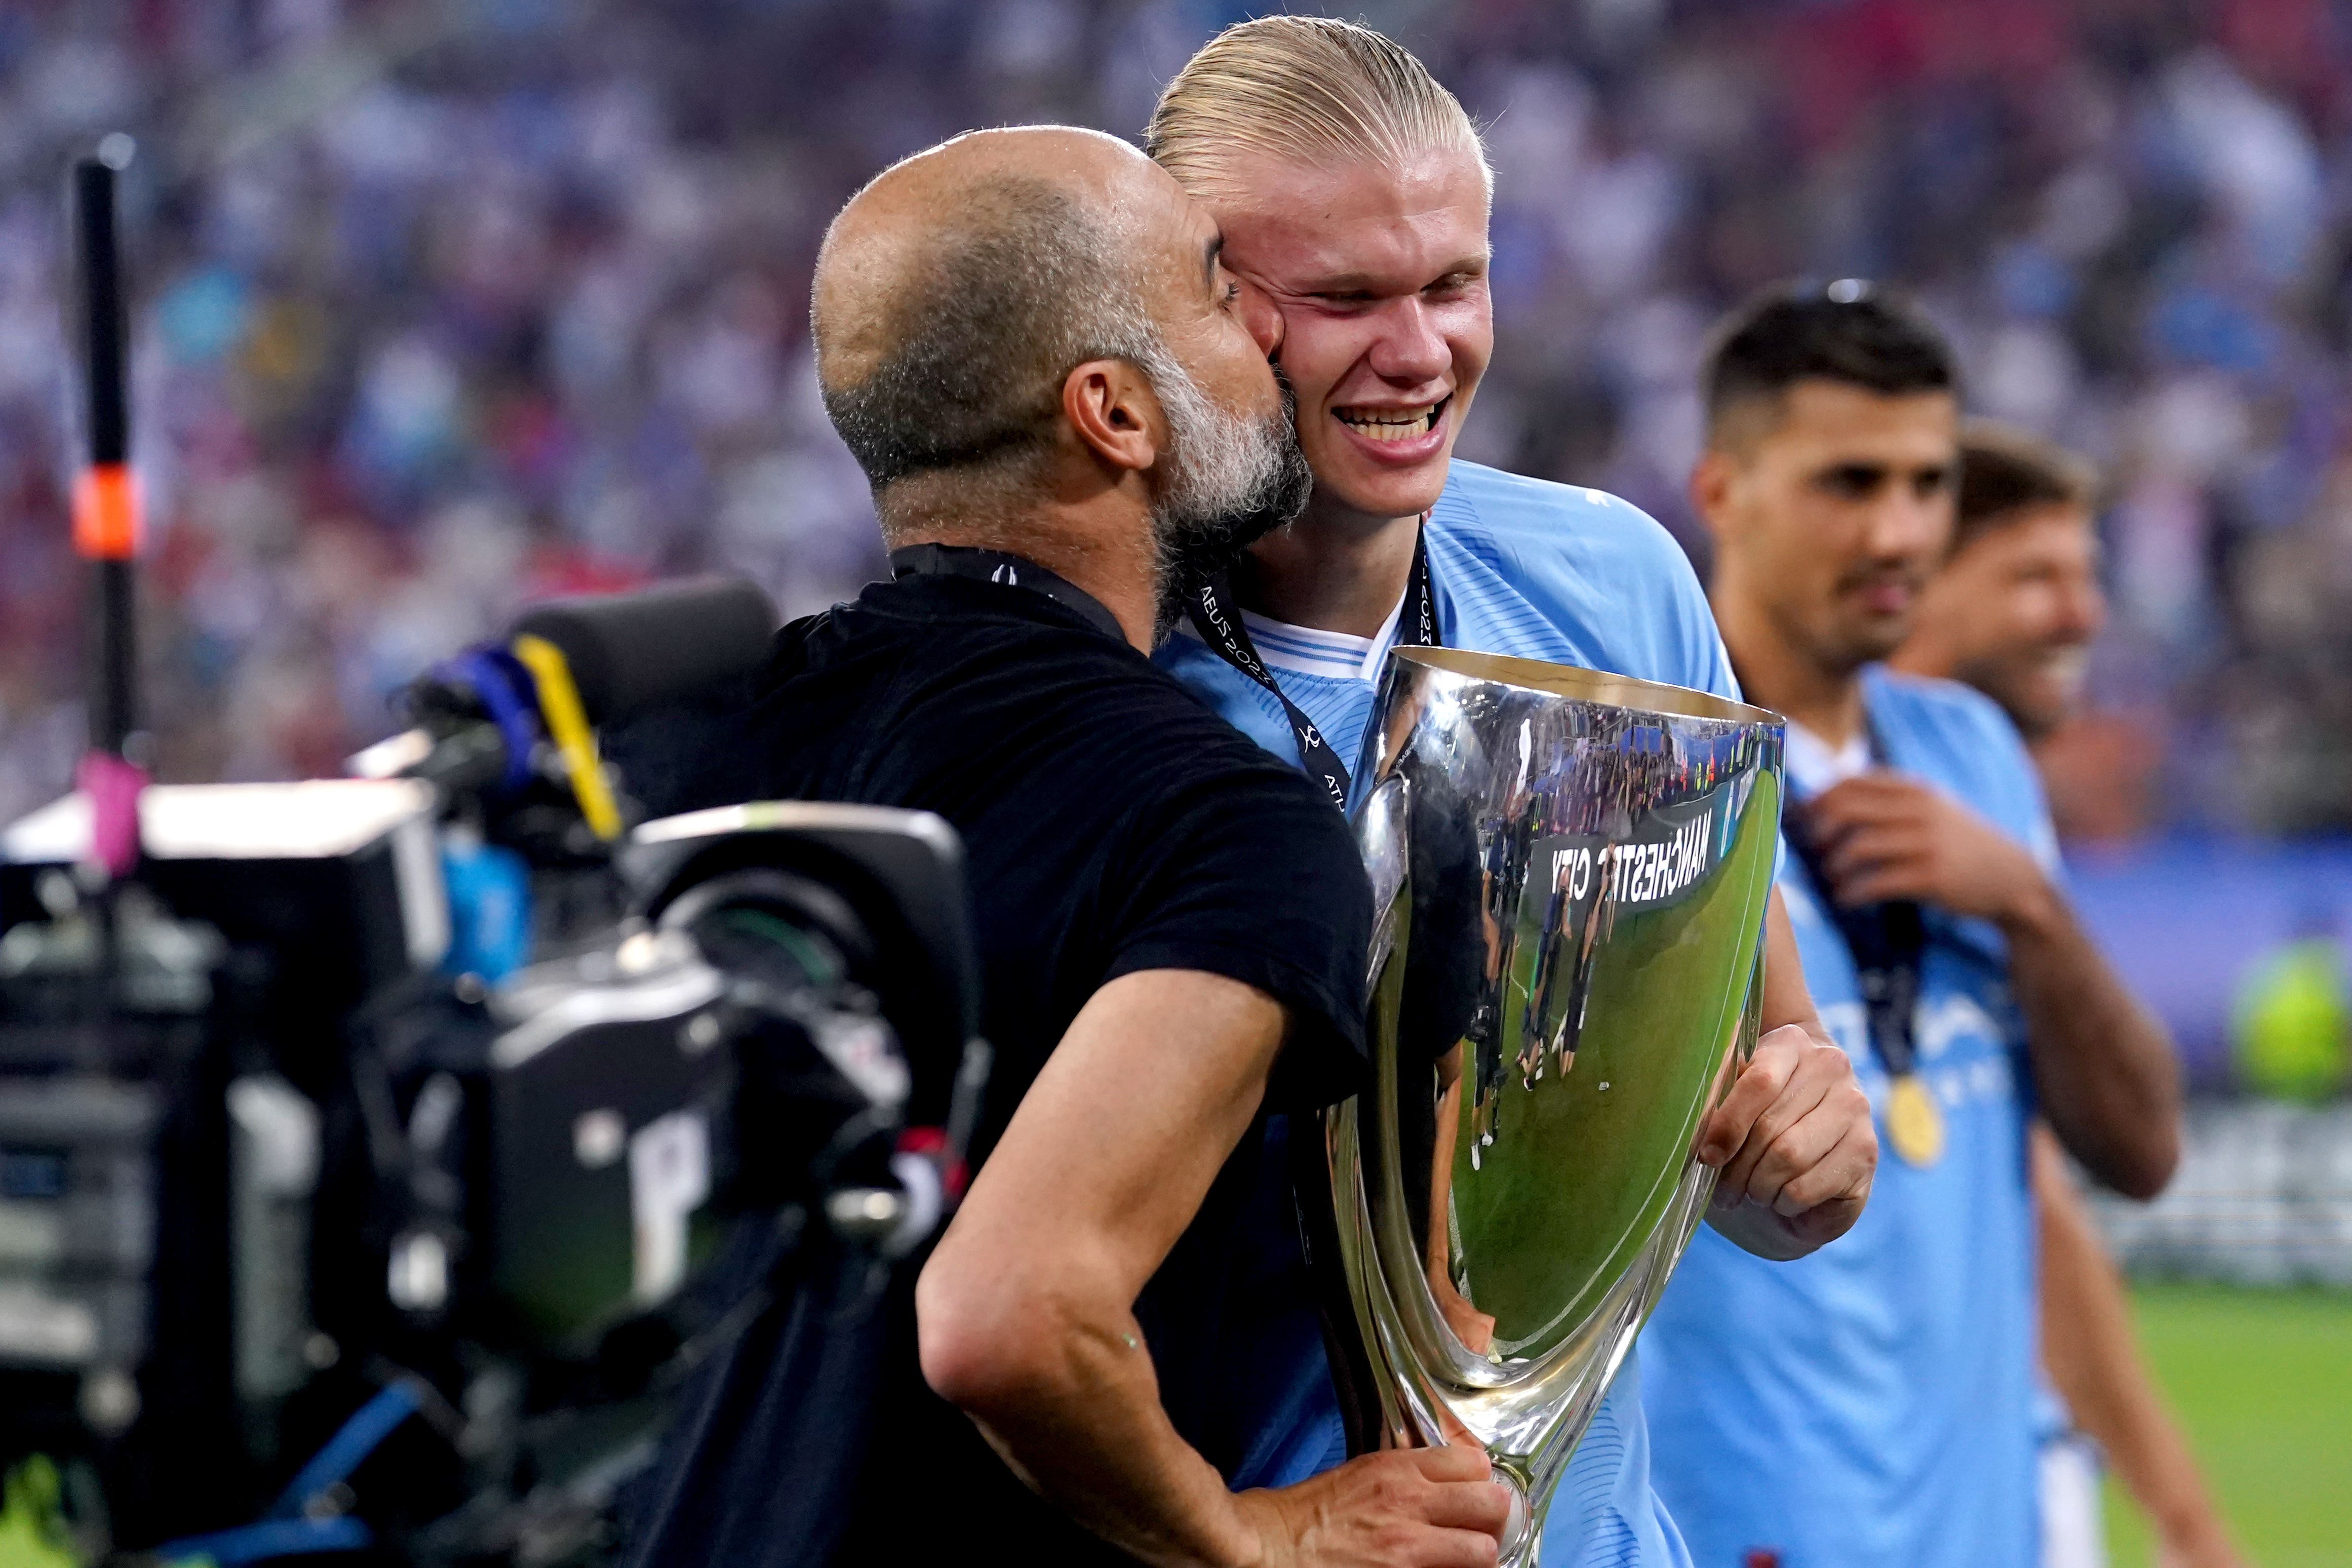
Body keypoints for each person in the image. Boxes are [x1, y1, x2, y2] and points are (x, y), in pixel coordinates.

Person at [618, 126, 1517, 1567]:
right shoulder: (1222, 824)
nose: (1265, 339)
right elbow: (1006, 1315)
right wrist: (1240, 1538)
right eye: (1217, 295)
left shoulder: (658, 747)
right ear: (1116, 413)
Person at [1143, 19, 1879, 1566]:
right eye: (1342, 297)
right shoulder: (1087, 681)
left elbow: (1759, 1075)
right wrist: (1241, 1531)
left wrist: (1801, 1134)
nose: (1417, 353)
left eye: (1452, 285)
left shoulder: (1612, 591)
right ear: (1187, 304)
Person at [1639, 284, 2184, 1568]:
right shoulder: (1648, 767)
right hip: (1733, 1525)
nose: (1899, 532)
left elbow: (2139, 1155)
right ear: (1723, 492)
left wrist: (2033, 910)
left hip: (1978, 1529)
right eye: (1850, 483)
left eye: (1928, 484)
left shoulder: (1971, 755)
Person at [1893, 419, 2247, 1568]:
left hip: (2007, 1472)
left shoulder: (1987, 802)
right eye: (2036, 577)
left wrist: (2181, 1509)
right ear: (1918, 576)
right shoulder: (1777, 799)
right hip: (1842, 1485)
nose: (2083, 615)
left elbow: (2042, 1197)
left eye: (2089, 577)